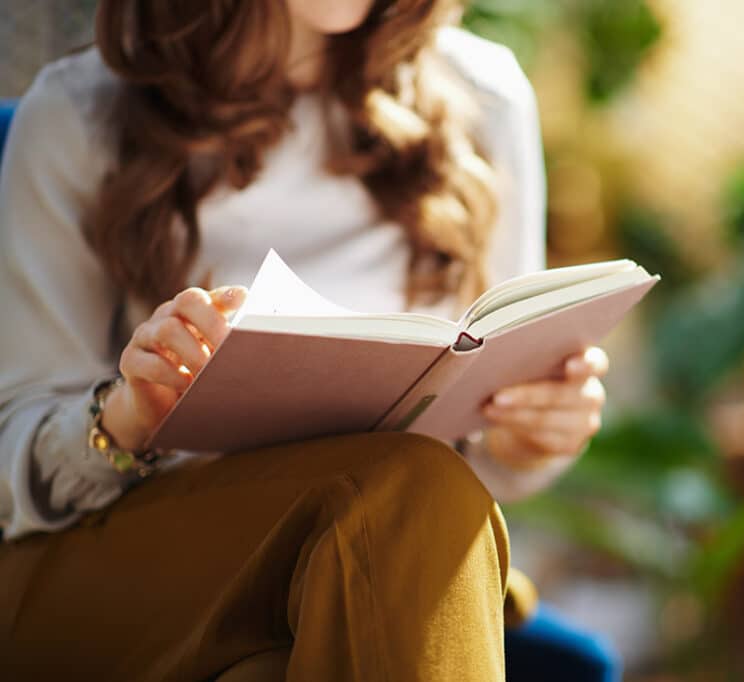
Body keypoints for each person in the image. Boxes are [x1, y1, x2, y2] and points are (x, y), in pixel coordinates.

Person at [0, 0, 617, 679]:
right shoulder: (78, 114)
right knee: (406, 489)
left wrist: (527, 436)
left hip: (364, 555)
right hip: (116, 564)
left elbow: (487, 440)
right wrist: (130, 413)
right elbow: (13, 465)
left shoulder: (486, 99)